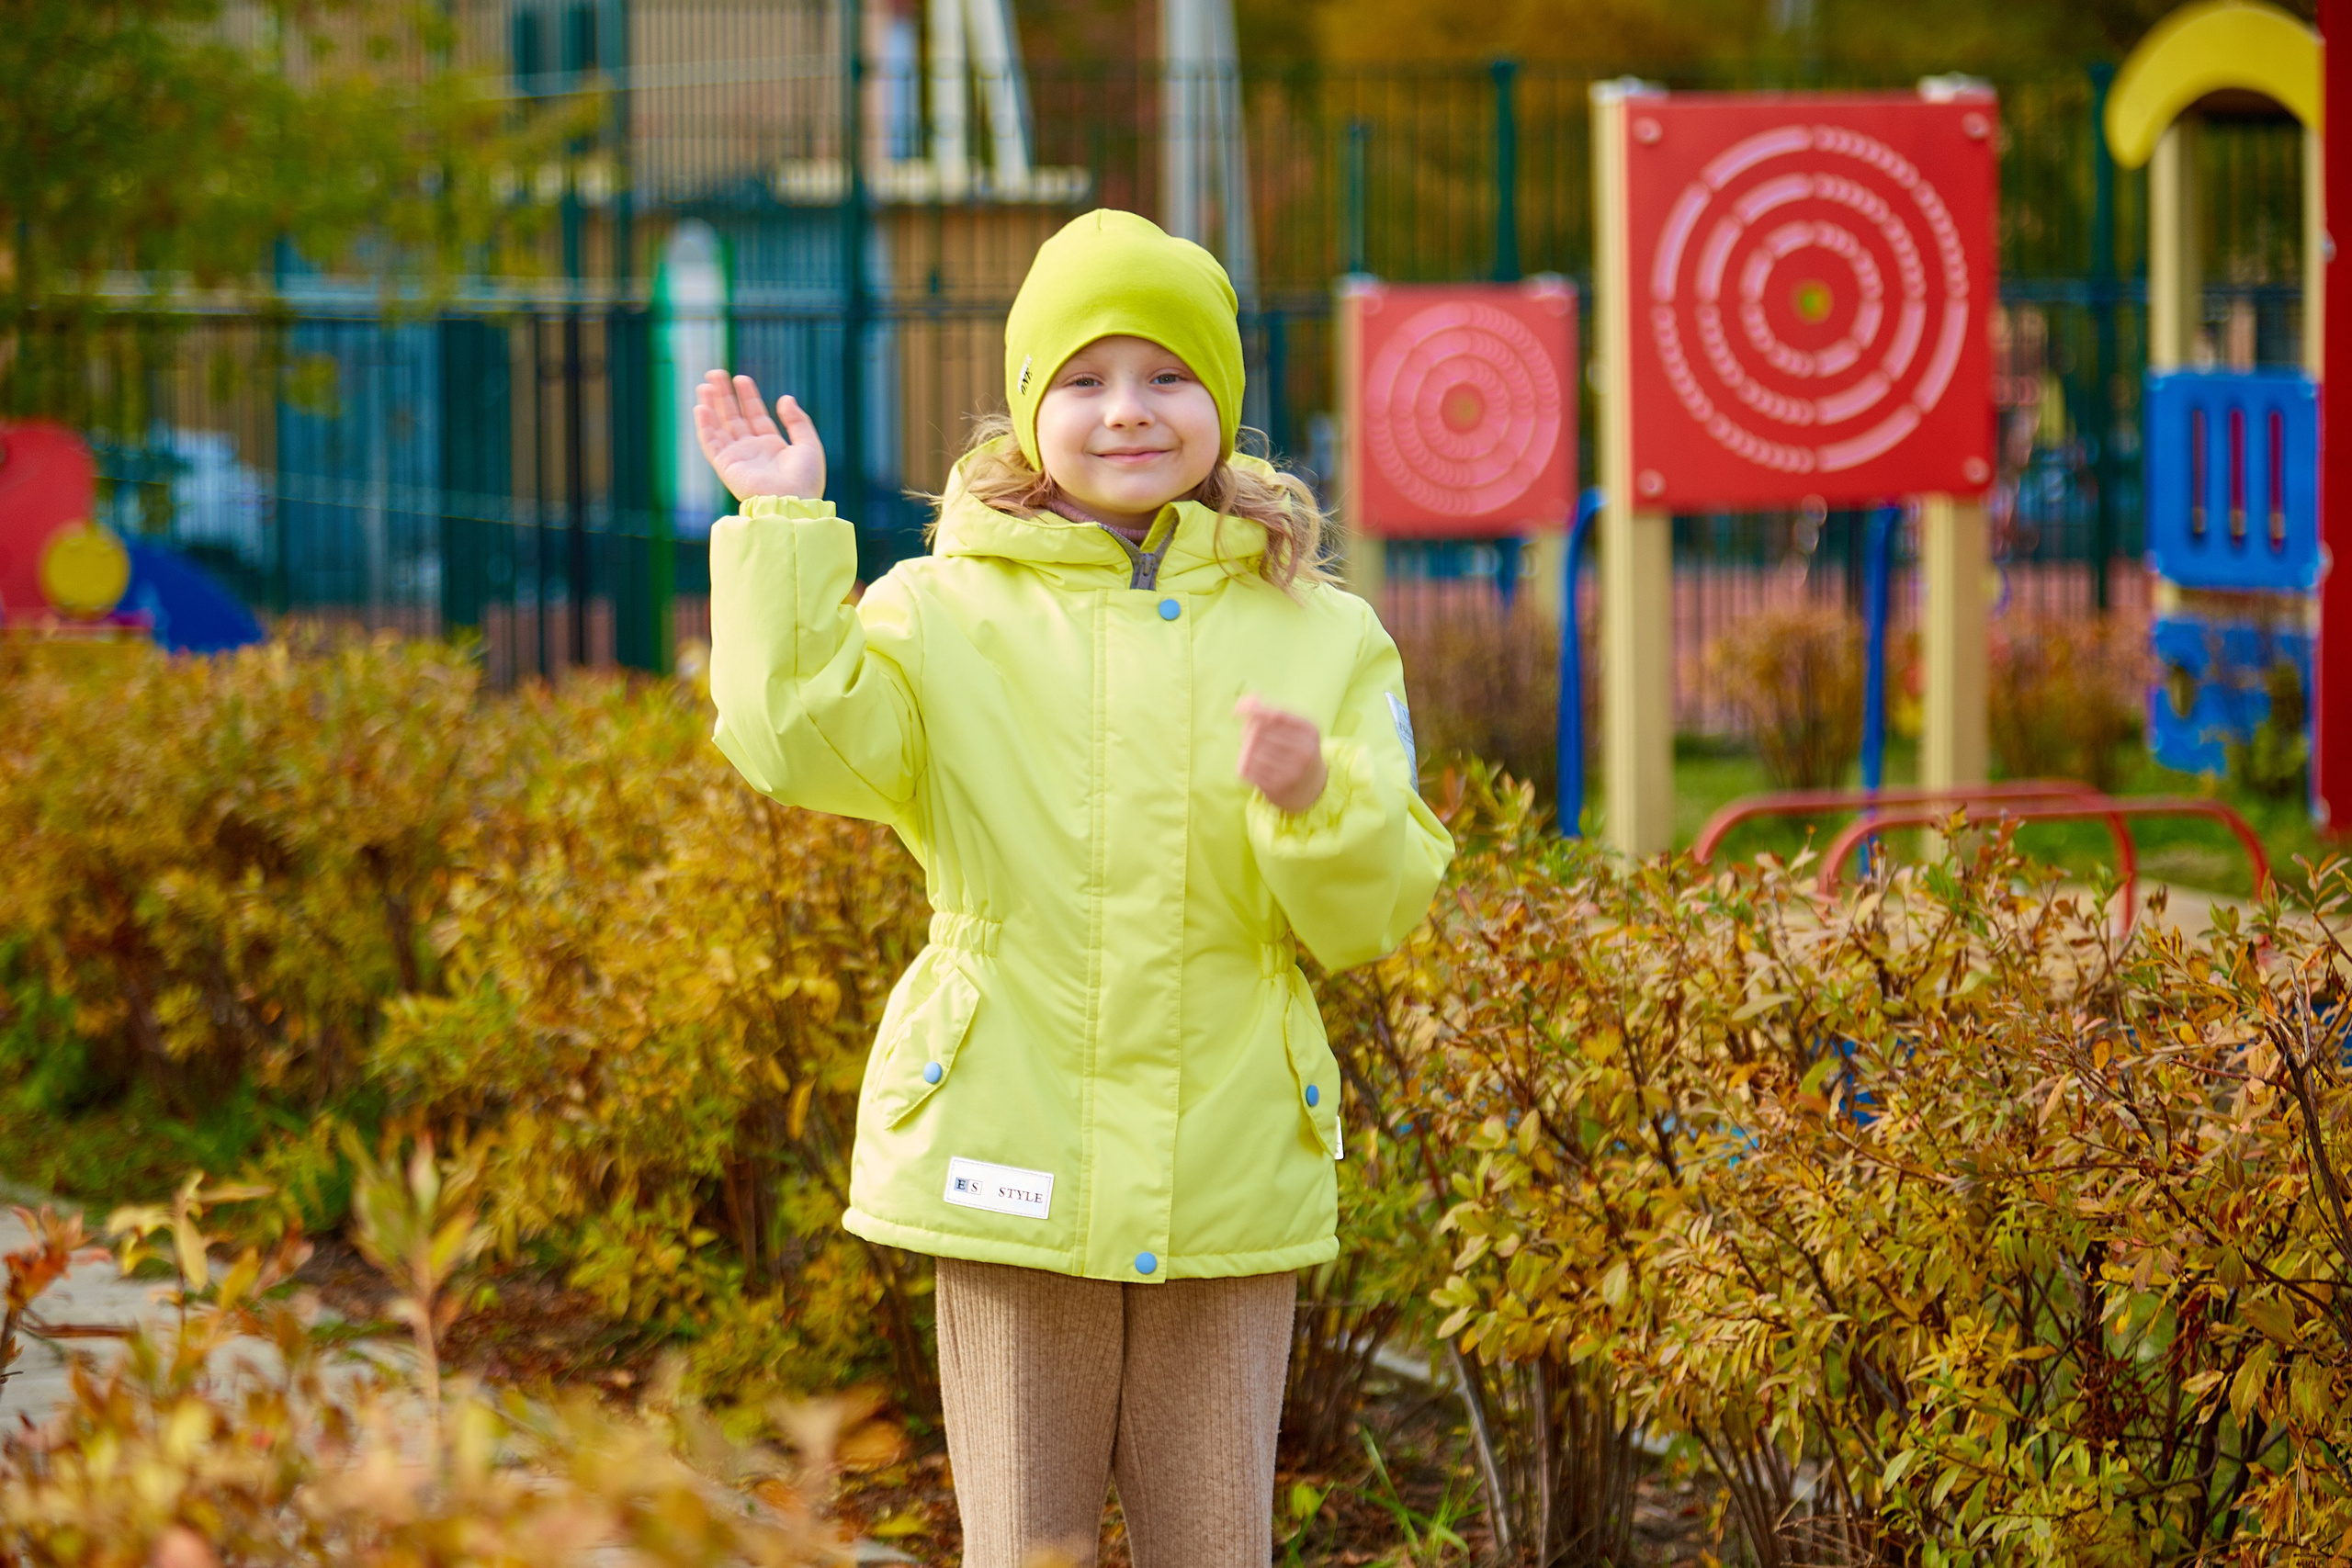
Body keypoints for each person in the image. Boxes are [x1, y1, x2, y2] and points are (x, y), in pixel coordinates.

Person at [696, 208, 1453, 1568]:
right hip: (1006, 1135)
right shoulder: (939, 609)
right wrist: (783, 526)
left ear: (1222, 400)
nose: (1128, 414)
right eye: (1084, 381)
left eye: (1168, 376)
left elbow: (1378, 904)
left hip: (1229, 1158)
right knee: (1023, 1546)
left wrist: (1314, 803)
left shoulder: (1326, 634)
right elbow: (794, 740)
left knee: (1217, 1545)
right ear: (1029, 409)